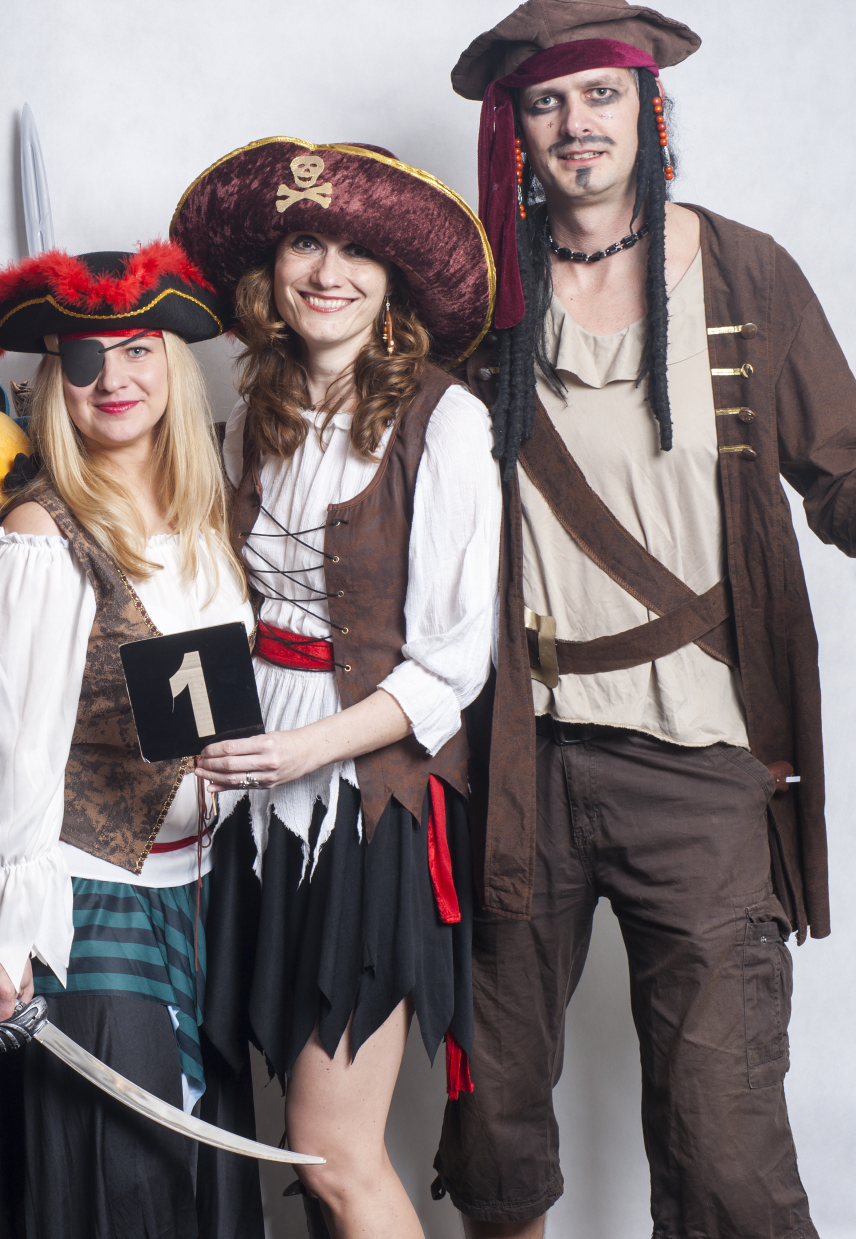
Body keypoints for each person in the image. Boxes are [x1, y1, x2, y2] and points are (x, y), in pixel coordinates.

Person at [434, 5, 856, 1238]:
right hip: (516, 758)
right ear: (517, 127)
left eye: (600, 95)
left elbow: (847, 474)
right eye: (548, 101)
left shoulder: (744, 272)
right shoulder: (475, 296)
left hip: (704, 762)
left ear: (647, 107)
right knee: (492, 1116)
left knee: (726, 1137)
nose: (577, 123)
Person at [169, 139, 502, 1238]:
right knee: (280, 1133)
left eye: (358, 252)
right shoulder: (248, 417)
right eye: (307, 242)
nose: (329, 272)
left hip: (368, 801)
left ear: (393, 282)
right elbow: (218, 609)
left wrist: (305, 751)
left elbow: (452, 664)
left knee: (333, 1150)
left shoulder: (446, 422)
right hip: (247, 801)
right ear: (271, 269)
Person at [0, 242, 256, 1239]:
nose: (113, 379)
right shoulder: (40, 535)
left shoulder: (208, 517)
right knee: (121, 1192)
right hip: (88, 899)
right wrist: (3, 931)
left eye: (136, 351)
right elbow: (10, 747)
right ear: (54, 383)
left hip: (205, 898)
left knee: (205, 1191)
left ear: (173, 364)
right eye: (84, 360)